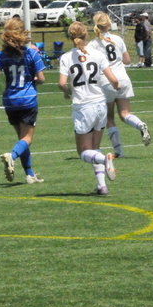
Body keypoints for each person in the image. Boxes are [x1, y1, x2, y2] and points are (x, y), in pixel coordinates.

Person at [58, 21, 120, 196]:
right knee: (95, 146)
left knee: (84, 152)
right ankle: (102, 186)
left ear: (70, 37)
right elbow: (114, 80)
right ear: (86, 35)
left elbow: (61, 83)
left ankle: (104, 159)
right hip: (100, 104)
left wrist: (67, 92)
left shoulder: (66, 57)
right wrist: (116, 87)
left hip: (83, 106)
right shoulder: (97, 54)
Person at [0, 17, 46, 184]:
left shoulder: (2, 55)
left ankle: (30, 175)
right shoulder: (32, 53)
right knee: (27, 139)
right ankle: (11, 156)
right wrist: (34, 79)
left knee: (22, 138)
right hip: (27, 100)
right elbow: (41, 79)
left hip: (10, 101)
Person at [88, 11, 151, 158]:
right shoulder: (117, 39)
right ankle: (140, 124)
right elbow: (127, 60)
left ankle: (119, 152)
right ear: (109, 24)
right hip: (123, 78)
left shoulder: (93, 44)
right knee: (125, 113)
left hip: (106, 80)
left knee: (109, 119)